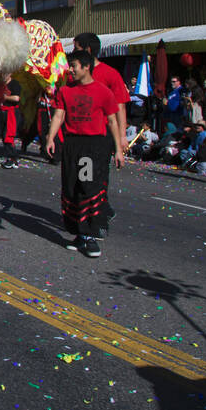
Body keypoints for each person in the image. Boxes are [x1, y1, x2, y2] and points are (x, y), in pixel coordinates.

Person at [45, 50, 124, 259]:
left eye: (74, 66)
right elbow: (59, 114)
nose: (70, 70)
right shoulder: (65, 91)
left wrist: (118, 150)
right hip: (72, 145)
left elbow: (112, 121)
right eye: (70, 66)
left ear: (86, 66)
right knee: (71, 188)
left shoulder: (103, 91)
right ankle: (79, 233)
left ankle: (90, 234)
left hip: (93, 147)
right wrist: (50, 138)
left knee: (87, 187)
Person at [0, 75, 22, 168]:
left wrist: (5, 97)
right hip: (2, 111)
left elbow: (16, 98)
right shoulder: (0, 84)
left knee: (8, 135)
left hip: (11, 112)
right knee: (3, 135)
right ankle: (11, 157)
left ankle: (12, 158)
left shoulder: (15, 84)